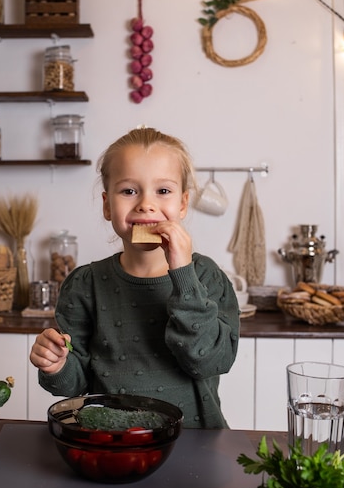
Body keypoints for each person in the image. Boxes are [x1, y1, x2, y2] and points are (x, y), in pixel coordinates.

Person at [29, 127, 240, 428]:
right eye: (129, 191)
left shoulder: (206, 277)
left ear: (182, 204)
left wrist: (183, 273)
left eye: (163, 191)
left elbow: (211, 361)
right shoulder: (84, 285)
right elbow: (72, 386)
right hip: (112, 444)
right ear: (107, 205)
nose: (145, 204)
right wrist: (57, 365)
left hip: (195, 441)